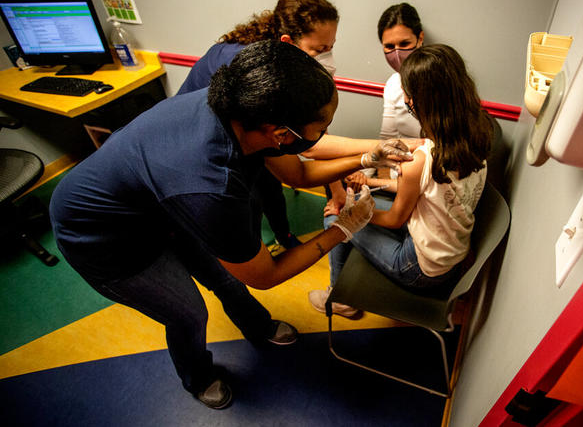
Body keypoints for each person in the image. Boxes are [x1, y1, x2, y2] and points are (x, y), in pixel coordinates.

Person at [50, 41, 411, 409]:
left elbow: (300, 171)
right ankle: (198, 376)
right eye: (323, 125)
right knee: (188, 312)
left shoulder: (244, 107)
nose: (325, 132)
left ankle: (258, 326)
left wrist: (366, 157)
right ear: (280, 132)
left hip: (160, 205)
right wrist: (343, 229)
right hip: (101, 236)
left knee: (222, 276)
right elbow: (265, 274)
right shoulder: (212, 185)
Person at [309, 44, 494, 317]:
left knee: (333, 219)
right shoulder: (478, 135)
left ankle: (340, 300)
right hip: (451, 256)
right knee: (360, 203)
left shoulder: (422, 159)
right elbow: (425, 191)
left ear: (416, 101)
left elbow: (396, 219)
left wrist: (350, 214)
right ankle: (341, 291)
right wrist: (370, 185)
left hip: (418, 269)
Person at [178, 0, 339, 249]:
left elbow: (315, 126)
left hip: (240, 128)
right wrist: (369, 153)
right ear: (288, 42)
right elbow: (306, 154)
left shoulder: (281, 58)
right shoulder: (253, 69)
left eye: (330, 48)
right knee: (249, 195)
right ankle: (250, 254)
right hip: (198, 138)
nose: (326, 57)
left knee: (270, 182)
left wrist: (339, 189)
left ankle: (283, 236)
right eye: (320, 49)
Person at [327, 3, 424, 213]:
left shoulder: (437, 83)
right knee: (338, 194)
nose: (397, 53)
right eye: (389, 47)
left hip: (419, 181)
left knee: (341, 213)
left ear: (420, 39)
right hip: (395, 174)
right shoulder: (392, 85)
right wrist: (363, 174)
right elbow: (385, 140)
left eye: (405, 43)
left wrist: (369, 183)